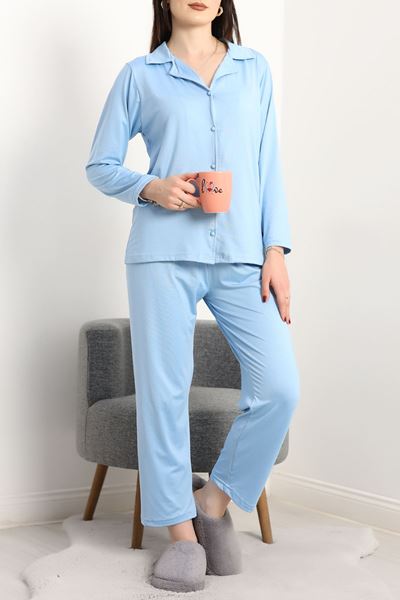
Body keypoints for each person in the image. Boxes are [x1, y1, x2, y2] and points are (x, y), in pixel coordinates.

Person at [85, 0, 300, 592]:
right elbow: (100, 164)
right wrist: (149, 187)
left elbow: (268, 165)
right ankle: (180, 535)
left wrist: (276, 249)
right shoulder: (140, 75)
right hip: (162, 254)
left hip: (242, 254)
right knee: (163, 395)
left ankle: (212, 502)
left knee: (280, 387)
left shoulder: (253, 70)